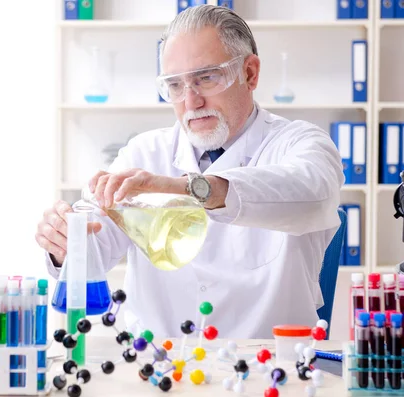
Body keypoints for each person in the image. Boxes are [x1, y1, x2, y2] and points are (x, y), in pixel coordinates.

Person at [36, 4, 344, 339]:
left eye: (206, 78)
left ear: (250, 73)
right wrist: (65, 240)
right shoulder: (144, 152)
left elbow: (313, 196)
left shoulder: (299, 142)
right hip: (159, 366)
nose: (190, 101)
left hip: (269, 368)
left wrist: (187, 188)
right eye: (175, 85)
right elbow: (96, 241)